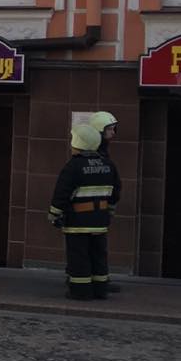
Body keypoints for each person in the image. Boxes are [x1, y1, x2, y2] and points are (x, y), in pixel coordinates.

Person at [49, 122, 120, 301]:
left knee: (79, 256)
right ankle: (100, 289)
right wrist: (109, 212)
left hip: (78, 221)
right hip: (100, 220)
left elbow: (62, 193)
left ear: (78, 143)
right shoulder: (108, 164)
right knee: (99, 256)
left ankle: (80, 291)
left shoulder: (73, 166)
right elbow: (116, 191)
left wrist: (54, 214)